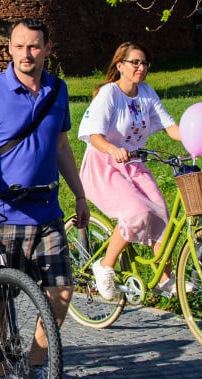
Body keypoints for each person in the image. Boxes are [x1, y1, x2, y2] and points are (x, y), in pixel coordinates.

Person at [0, 17, 89, 379]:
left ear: (48, 49)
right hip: (2, 215)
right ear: (9, 49)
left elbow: (62, 147)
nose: (26, 54)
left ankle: (33, 367)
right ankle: (0, 376)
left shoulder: (58, 90)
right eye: (19, 46)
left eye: (34, 46)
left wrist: (79, 195)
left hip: (47, 211)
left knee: (60, 292)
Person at [77, 42, 187, 300]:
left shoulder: (146, 93)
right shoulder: (109, 94)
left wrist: (195, 138)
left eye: (144, 63)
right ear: (120, 66)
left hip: (134, 165)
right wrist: (112, 149)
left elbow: (170, 126)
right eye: (135, 62)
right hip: (104, 166)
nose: (141, 67)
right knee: (137, 213)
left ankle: (165, 278)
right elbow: (93, 135)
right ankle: (105, 266)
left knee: (161, 216)